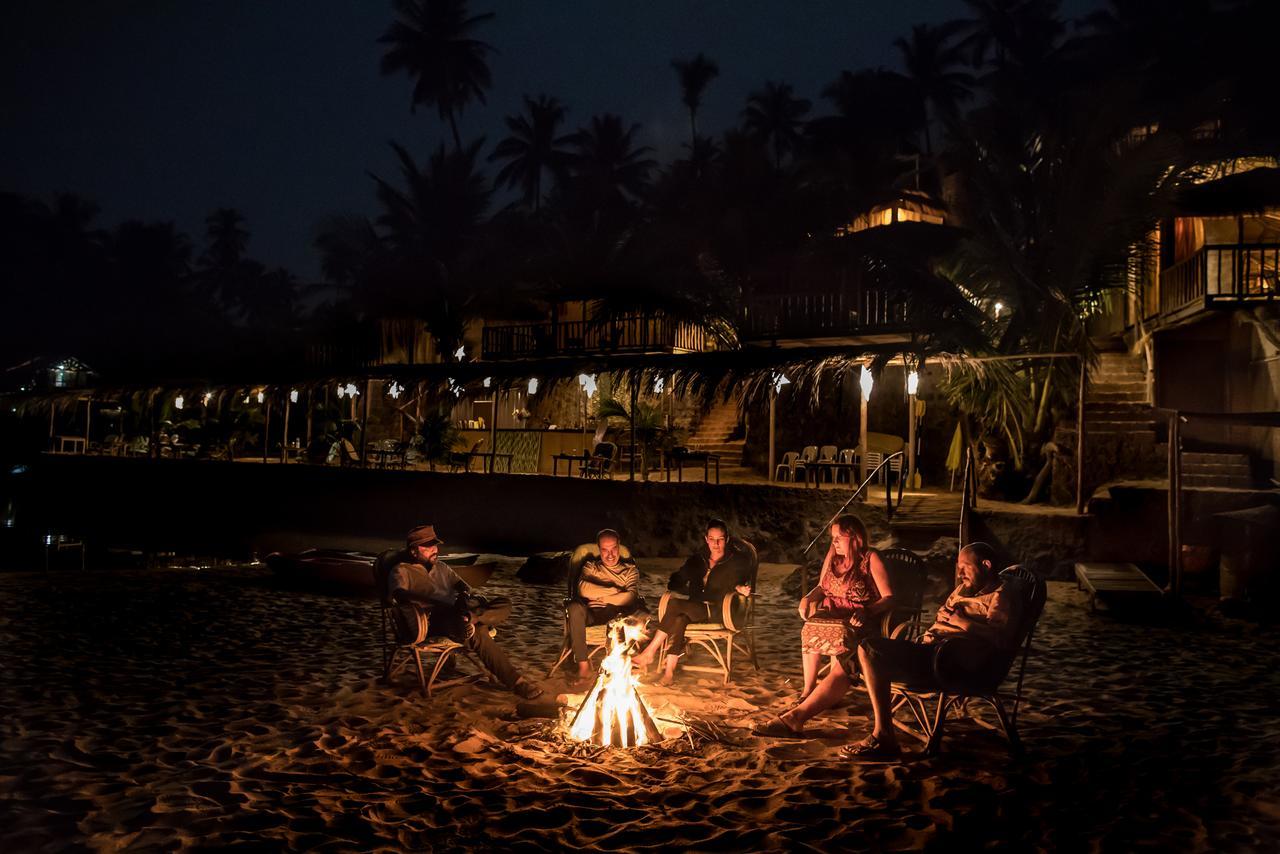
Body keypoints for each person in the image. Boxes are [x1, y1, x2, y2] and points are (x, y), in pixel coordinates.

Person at [753, 542, 1022, 761]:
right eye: (958, 568)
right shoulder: (966, 589)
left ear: (986, 565)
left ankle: (884, 736)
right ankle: (795, 719)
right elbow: (944, 617)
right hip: (932, 651)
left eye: (965, 568)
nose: (960, 575)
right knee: (853, 655)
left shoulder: (1000, 595)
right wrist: (947, 618)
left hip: (948, 662)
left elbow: (1002, 640)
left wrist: (961, 623)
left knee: (871, 648)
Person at [389, 524, 543, 700]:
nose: (435, 550)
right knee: (478, 633)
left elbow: (464, 587)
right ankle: (516, 682)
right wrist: (434, 602)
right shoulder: (402, 570)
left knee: (504, 603)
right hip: (431, 621)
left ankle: (471, 618)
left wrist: (463, 595)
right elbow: (399, 594)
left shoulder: (442, 568)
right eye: (428, 546)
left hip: (457, 613)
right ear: (413, 551)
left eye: (435, 545)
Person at [631, 519, 753, 685]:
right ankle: (669, 674)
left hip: (718, 610)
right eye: (712, 539)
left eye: (720, 539)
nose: (716, 544)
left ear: (727, 539)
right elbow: (675, 582)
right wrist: (684, 581)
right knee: (679, 619)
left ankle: (649, 652)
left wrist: (740, 587)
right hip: (695, 608)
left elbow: (741, 581)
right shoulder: (698, 559)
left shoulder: (735, 561)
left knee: (674, 605)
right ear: (706, 539)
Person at [796, 515, 895, 701]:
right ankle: (809, 690)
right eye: (833, 537)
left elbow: (889, 598)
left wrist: (867, 611)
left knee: (841, 632)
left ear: (855, 537)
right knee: (809, 627)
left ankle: (831, 691)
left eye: (839, 537)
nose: (834, 542)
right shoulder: (833, 557)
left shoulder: (870, 558)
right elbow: (821, 587)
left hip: (859, 617)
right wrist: (807, 598)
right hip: (832, 612)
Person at [566, 528, 647, 686]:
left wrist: (602, 598)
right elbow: (582, 589)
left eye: (613, 549)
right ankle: (584, 666)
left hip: (616, 616)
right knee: (574, 607)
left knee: (633, 614)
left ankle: (618, 667)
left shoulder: (630, 570)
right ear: (599, 549)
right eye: (605, 550)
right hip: (590, 614)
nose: (610, 555)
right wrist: (614, 591)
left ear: (619, 547)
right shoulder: (590, 566)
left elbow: (629, 596)